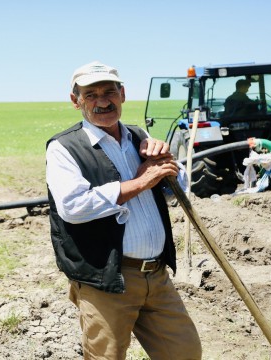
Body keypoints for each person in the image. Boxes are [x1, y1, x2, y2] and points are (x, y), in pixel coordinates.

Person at [46, 61, 202, 360]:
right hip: (107, 281)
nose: (102, 101)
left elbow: (174, 188)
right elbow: (73, 207)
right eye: (91, 95)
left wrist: (166, 162)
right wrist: (142, 181)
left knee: (184, 352)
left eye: (109, 92)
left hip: (156, 276)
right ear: (75, 100)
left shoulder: (138, 137)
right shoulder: (64, 148)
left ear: (123, 94)